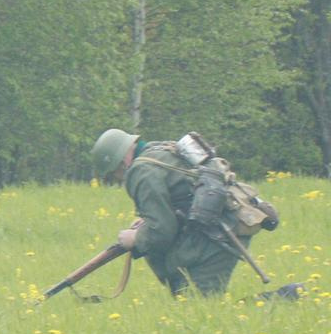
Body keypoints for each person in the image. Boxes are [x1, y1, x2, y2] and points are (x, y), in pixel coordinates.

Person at [90, 127, 241, 298]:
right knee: (192, 300)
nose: (118, 178)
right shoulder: (158, 150)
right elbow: (177, 198)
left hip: (217, 233)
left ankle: (274, 300)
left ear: (121, 162)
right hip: (221, 223)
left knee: (199, 305)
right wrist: (145, 224)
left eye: (113, 172)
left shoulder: (141, 171)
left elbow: (162, 230)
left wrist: (135, 238)